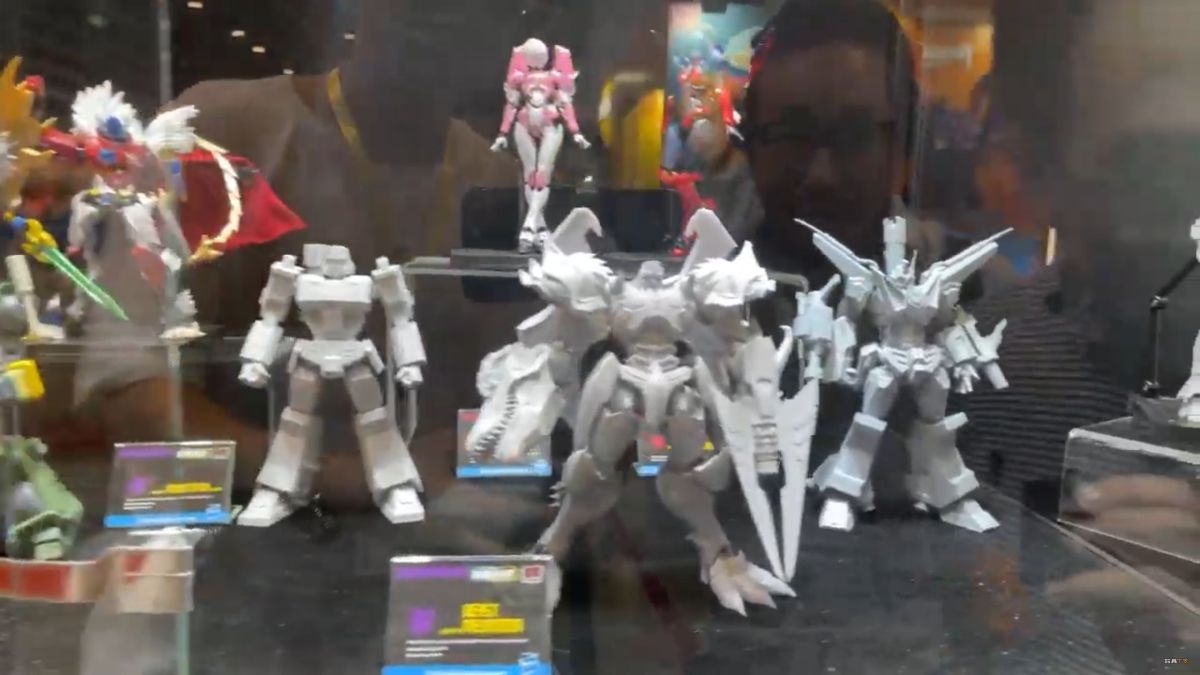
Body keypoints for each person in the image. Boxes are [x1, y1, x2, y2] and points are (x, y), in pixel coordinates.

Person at [740, 0, 916, 277]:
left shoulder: (979, 292)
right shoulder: (702, 293)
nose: (821, 177)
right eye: (792, 136)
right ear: (751, 148)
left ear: (901, 147)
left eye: (855, 135)